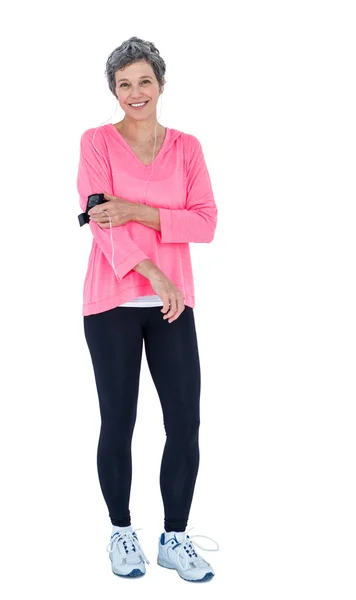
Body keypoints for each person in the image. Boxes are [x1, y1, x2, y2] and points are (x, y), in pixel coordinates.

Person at [76, 36, 219, 582]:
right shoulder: (95, 142)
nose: (135, 92)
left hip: (172, 305)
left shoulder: (187, 148)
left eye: (144, 81)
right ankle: (121, 532)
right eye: (124, 84)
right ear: (114, 91)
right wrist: (155, 270)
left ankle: (175, 539)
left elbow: (205, 223)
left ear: (160, 84)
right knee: (120, 421)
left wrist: (135, 208)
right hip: (112, 300)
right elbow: (98, 222)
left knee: (185, 422)